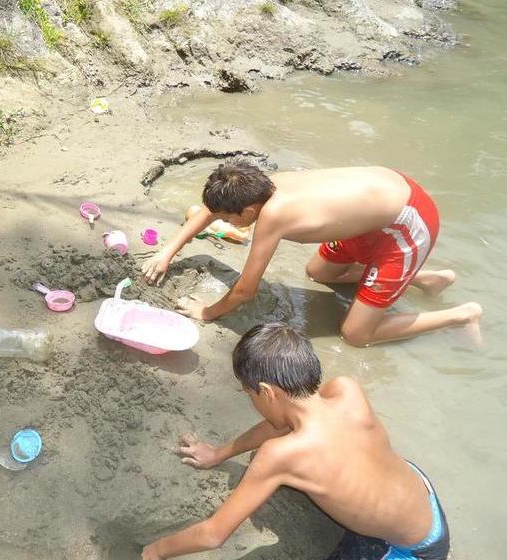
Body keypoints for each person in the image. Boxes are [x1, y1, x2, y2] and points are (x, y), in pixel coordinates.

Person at [142, 323, 450, 560]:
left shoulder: (280, 456)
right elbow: (279, 425)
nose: (251, 401)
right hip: (422, 495)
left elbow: (213, 534)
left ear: (268, 391)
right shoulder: (345, 390)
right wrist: (219, 454)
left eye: (249, 394)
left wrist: (153, 552)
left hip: (414, 549)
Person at [142, 162, 482, 346]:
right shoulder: (259, 184)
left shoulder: (274, 215)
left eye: (231, 218)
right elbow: (211, 210)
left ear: (247, 210)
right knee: (320, 273)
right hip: (377, 211)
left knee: (356, 335)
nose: (226, 221)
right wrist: (168, 251)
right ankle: (425, 278)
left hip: (408, 224)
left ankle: (462, 315)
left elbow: (246, 291)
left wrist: (208, 312)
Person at [184, 204, 250, 244]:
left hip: (219, 227)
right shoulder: (228, 228)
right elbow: (243, 236)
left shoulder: (227, 227)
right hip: (220, 227)